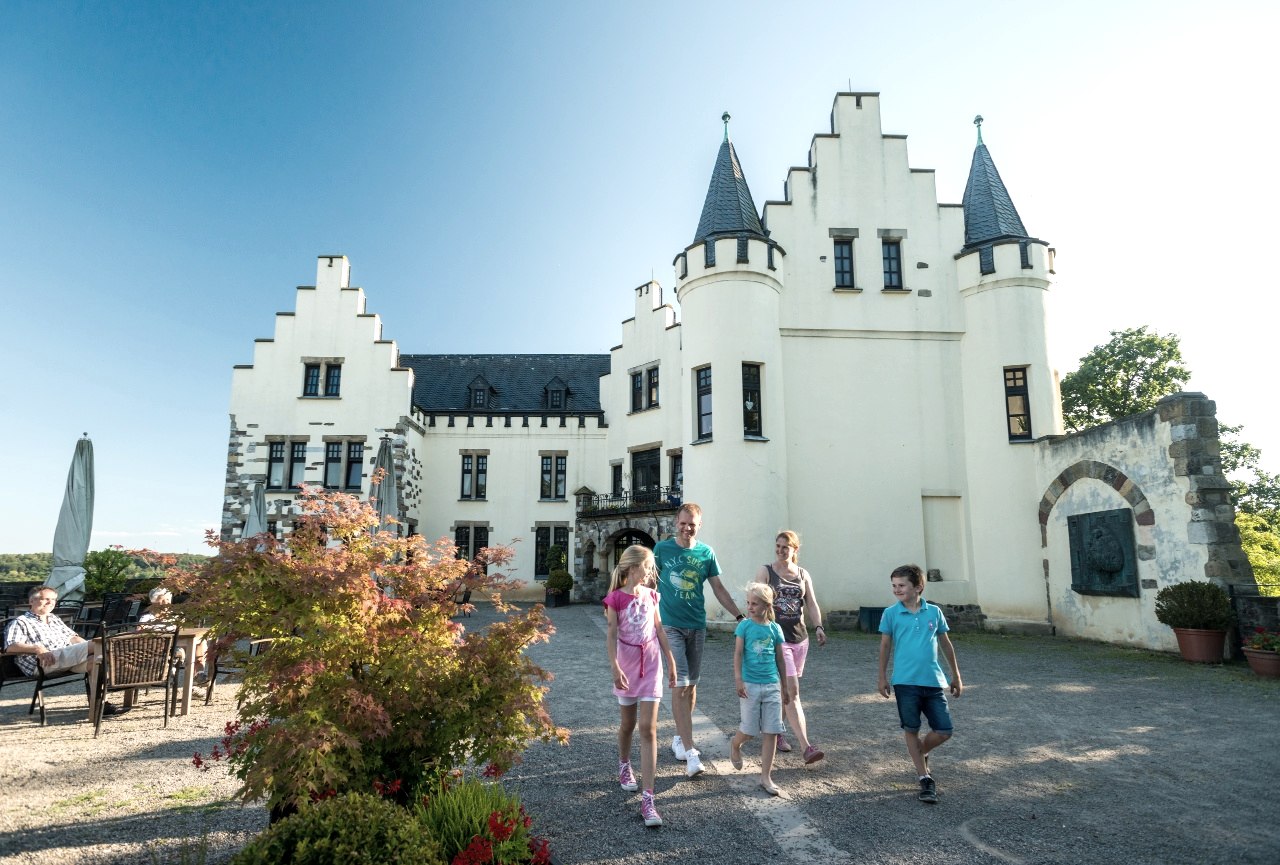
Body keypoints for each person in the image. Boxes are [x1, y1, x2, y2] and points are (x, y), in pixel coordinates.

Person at [654, 502, 745, 778]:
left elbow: (718, 588)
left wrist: (740, 616)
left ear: (699, 525)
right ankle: (691, 751)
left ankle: (679, 738)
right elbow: (648, 583)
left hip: (696, 625)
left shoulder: (706, 552)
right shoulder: (661, 550)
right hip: (670, 626)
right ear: (676, 523)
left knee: (692, 686)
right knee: (680, 684)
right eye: (683, 523)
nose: (687, 528)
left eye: (692, 524)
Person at [603, 545, 677, 828]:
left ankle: (648, 798)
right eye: (648, 566)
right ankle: (624, 764)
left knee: (648, 729)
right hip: (627, 666)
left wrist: (671, 661)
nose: (651, 572)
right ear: (633, 567)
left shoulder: (652, 595)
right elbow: (611, 634)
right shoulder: (615, 599)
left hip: (652, 665)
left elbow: (659, 629)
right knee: (628, 725)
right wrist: (615, 667)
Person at [877, 564, 964, 804]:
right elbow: (885, 646)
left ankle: (921, 751)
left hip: (933, 681)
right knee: (911, 728)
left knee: (944, 730)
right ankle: (924, 778)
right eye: (894, 585)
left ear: (918, 587)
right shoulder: (890, 614)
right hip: (905, 682)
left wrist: (956, 675)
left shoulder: (934, 612)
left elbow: (946, 644)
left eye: (902, 585)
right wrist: (882, 676)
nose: (897, 590)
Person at [754, 530, 826, 764]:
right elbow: (755, 601)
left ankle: (775, 732)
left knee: (786, 691)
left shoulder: (803, 574)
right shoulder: (766, 571)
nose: (780, 550)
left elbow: (811, 603)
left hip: (800, 639)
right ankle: (806, 746)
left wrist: (818, 627)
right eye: (778, 546)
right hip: (777, 640)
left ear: (795, 549)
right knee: (792, 692)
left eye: (785, 547)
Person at [2, 584, 124, 715]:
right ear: (31, 601)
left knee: (96, 662)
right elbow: (10, 647)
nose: (50, 602)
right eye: (46, 599)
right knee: (105, 644)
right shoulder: (21, 622)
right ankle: (124, 670)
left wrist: (91, 648)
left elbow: (73, 638)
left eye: (53, 599)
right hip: (44, 663)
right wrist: (37, 648)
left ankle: (100, 705)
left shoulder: (53, 618)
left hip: (66, 659)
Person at [728, 582, 790, 796]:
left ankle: (766, 777)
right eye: (748, 603)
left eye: (754, 603)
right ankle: (735, 744)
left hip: (772, 684)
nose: (750, 607)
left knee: (771, 731)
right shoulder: (744, 626)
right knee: (749, 730)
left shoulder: (775, 629)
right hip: (750, 685)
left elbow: (781, 659)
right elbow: (738, 654)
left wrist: (785, 686)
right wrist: (738, 679)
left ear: (767, 605)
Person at [139, 586, 208, 684]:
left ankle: (199, 674)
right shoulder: (147, 618)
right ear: (154, 602)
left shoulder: (174, 617)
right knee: (182, 650)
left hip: (176, 644)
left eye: (168, 600)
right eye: (162, 600)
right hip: (158, 648)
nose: (166, 603)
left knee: (201, 642)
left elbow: (184, 631)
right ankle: (174, 674)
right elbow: (139, 635)